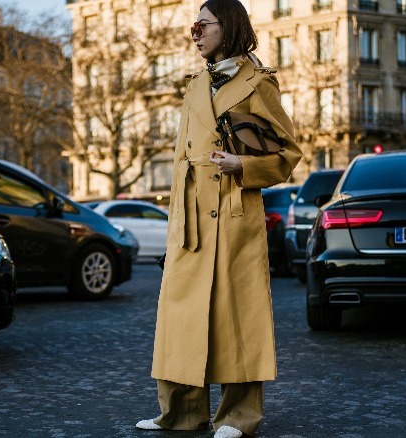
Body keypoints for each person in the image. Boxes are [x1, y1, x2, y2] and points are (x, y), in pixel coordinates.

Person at [135, 0, 302, 437]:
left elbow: (289, 156)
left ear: (226, 28)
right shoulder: (192, 86)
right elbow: (177, 163)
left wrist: (243, 167)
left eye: (201, 25)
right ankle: (180, 414)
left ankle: (238, 417)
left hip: (234, 214)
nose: (194, 33)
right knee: (180, 316)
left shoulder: (259, 84)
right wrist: (174, 225)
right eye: (193, 26)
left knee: (237, 318)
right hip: (191, 218)